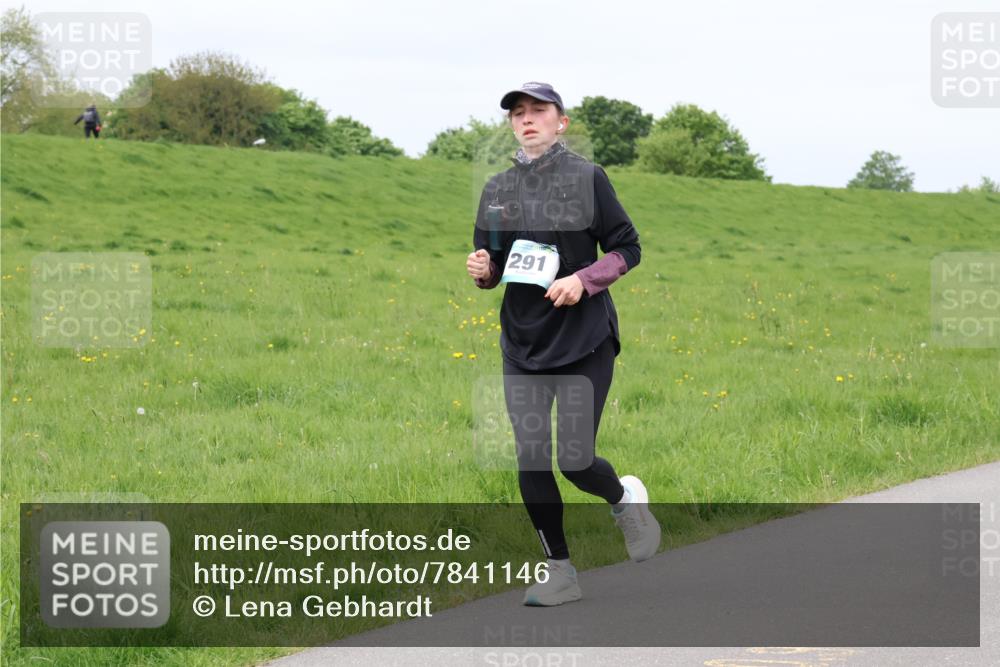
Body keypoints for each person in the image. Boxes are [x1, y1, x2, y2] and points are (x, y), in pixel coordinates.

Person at [467, 82, 661, 607]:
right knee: (531, 459)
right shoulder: (497, 189)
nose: (528, 120)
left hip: (584, 339)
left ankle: (624, 501)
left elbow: (628, 247)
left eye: (539, 111)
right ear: (512, 125)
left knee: (575, 461)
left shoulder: (587, 178)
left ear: (561, 122)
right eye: (519, 113)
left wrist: (584, 280)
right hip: (522, 342)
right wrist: (483, 271)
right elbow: (495, 263)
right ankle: (560, 572)